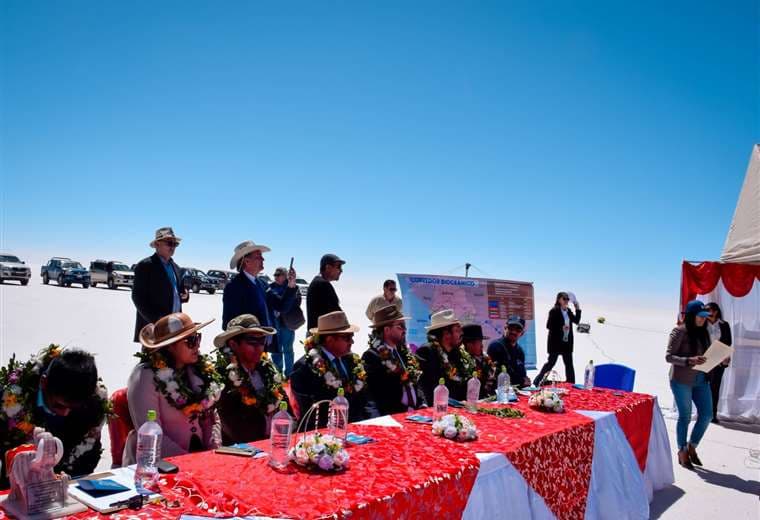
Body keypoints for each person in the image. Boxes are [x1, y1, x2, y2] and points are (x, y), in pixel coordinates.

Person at [0, 345, 110, 487]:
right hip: (19, 486)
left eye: (73, 408)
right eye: (59, 405)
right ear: (43, 382)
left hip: (66, 485)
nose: (65, 413)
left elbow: (89, 453)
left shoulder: (93, 404)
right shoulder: (11, 400)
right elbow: (5, 451)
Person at [125, 313, 222, 464]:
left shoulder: (197, 371)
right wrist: (188, 462)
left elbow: (210, 417)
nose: (197, 345)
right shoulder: (145, 376)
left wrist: (211, 452)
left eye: (197, 337)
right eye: (190, 340)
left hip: (200, 461)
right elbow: (151, 433)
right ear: (170, 346)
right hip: (158, 465)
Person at [213, 314, 291, 444]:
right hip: (245, 450)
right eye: (252, 342)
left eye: (262, 341)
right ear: (233, 344)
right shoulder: (223, 377)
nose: (259, 347)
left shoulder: (267, 369)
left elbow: (287, 409)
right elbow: (236, 431)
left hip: (278, 442)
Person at [290, 311, 376, 427]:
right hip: (327, 434)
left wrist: (373, 421)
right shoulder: (305, 367)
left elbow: (366, 398)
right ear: (329, 340)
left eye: (352, 337)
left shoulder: (352, 361)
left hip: (359, 427)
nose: (352, 342)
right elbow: (311, 413)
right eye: (346, 338)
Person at [222, 241, 299, 363]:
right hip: (246, 351)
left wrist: (291, 285)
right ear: (246, 261)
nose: (263, 259)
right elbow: (228, 323)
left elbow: (281, 306)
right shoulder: (234, 287)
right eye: (258, 256)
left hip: (263, 347)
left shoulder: (262, 284)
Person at [666, 300, 712, 469]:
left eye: (705, 317)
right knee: (685, 416)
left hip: (701, 379)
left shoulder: (704, 333)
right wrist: (688, 360)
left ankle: (692, 446)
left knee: (707, 415)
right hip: (681, 380)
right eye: (700, 316)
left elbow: (707, 356)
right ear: (692, 316)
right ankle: (682, 450)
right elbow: (669, 357)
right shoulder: (679, 331)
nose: (703, 320)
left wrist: (720, 360)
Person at [362, 305, 425, 415]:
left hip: (416, 414)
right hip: (395, 416)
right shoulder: (372, 356)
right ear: (387, 330)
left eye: (405, 326)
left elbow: (414, 383)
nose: (405, 330)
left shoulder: (404, 353)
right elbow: (374, 395)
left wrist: (422, 403)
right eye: (400, 326)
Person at [132, 227, 189, 342]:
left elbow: (177, 293)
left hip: (175, 327)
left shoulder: (176, 268)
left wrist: (184, 296)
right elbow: (138, 298)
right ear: (157, 244)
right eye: (169, 243)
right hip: (154, 328)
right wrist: (158, 321)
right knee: (155, 360)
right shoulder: (145, 266)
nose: (172, 246)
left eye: (175, 244)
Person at [415, 309, 474, 404]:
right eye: (457, 330)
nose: (461, 334)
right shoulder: (427, 352)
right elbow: (426, 388)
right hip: (437, 409)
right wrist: (454, 403)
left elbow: (462, 382)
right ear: (446, 334)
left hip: (458, 409)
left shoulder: (457, 353)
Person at [533, 292, 581, 385]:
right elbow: (549, 326)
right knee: (551, 363)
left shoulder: (568, 311)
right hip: (555, 343)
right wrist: (561, 327)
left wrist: (577, 308)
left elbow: (576, 321)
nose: (566, 301)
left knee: (569, 364)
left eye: (567, 299)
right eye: (564, 299)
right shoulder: (554, 311)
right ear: (559, 299)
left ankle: (571, 383)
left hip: (566, 342)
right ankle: (537, 381)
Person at [269, 266, 304, 377]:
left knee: (288, 349)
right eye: (275, 275)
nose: (276, 277)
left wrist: (284, 306)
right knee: (275, 350)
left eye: (279, 275)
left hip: (287, 324)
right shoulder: (270, 287)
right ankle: (277, 374)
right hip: (274, 324)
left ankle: (289, 374)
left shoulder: (293, 287)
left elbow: (297, 302)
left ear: (285, 276)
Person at [705, 302, 732, 424]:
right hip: (704, 359)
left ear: (715, 311)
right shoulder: (702, 324)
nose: (706, 312)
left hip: (719, 360)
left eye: (708, 310)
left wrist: (725, 357)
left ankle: (713, 415)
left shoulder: (724, 324)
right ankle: (703, 413)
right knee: (703, 387)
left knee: (715, 388)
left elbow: (728, 342)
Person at [488, 316, 532, 388]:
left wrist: (526, 380)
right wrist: (522, 381)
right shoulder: (495, 346)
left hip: (518, 392)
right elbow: (501, 374)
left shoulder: (520, 351)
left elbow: (522, 374)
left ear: (522, 333)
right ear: (505, 327)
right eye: (511, 328)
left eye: (518, 329)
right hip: (500, 393)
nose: (514, 332)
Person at [306, 254, 345, 332]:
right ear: (328, 268)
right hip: (323, 337)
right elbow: (336, 314)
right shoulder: (323, 284)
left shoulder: (317, 282)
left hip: (317, 336)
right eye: (338, 267)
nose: (341, 270)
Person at [462, 323, 497, 397]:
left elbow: (493, 377)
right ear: (469, 344)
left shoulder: (485, 358)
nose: (482, 345)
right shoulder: (462, 361)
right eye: (479, 342)